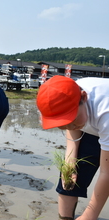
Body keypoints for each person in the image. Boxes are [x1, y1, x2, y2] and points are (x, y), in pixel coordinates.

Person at [36, 75, 109, 220]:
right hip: (92, 122)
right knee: (69, 177)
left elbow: (106, 173)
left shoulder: (105, 112)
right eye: (63, 125)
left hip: (103, 122)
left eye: (73, 120)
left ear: (84, 97)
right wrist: (70, 160)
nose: (70, 127)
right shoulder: (67, 94)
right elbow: (72, 128)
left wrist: (89, 215)